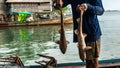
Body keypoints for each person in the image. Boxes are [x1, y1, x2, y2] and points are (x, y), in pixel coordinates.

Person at [53, 0, 104, 68]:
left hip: (91, 31)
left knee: (93, 61)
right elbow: (59, 5)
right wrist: (57, 3)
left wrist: (88, 7)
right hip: (79, 33)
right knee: (87, 60)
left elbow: (100, 10)